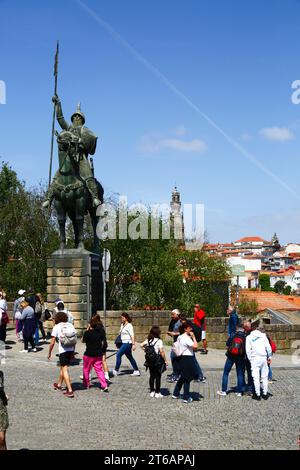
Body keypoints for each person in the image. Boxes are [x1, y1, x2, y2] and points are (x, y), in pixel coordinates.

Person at [43, 95, 101, 209]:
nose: (76, 118)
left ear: (82, 119)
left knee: (88, 176)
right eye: (74, 116)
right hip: (69, 157)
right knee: (56, 176)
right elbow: (60, 118)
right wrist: (58, 103)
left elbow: (93, 138)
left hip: (81, 158)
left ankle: (95, 197)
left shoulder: (85, 130)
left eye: (78, 116)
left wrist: (80, 141)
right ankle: (48, 198)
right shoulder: (69, 129)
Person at [48, 312, 76, 398]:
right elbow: (74, 339)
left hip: (63, 350)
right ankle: (59, 384)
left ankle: (70, 390)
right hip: (71, 349)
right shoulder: (70, 325)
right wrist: (73, 352)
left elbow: (52, 342)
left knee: (64, 369)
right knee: (63, 367)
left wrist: (49, 352)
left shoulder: (57, 327)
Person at [171, 321, 198, 403]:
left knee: (183, 376)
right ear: (186, 329)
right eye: (190, 328)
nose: (191, 329)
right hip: (187, 359)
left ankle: (175, 393)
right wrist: (193, 337)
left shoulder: (180, 337)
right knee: (187, 378)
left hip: (181, 358)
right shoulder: (186, 338)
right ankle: (186, 397)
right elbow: (195, 347)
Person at [217, 324, 246, 397]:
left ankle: (224, 391)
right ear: (243, 329)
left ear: (237, 329)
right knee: (240, 374)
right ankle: (239, 392)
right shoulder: (245, 336)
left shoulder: (233, 334)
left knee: (226, 372)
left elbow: (227, 344)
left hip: (231, 356)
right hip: (240, 357)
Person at [82, 315, 108, 392]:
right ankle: (104, 385)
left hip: (88, 354)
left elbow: (82, 340)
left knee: (86, 369)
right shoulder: (100, 332)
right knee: (99, 370)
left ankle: (86, 384)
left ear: (90, 325)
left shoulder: (87, 333)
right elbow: (103, 341)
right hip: (98, 354)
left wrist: (87, 330)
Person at [246, 324, 272, 401]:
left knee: (256, 377)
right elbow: (268, 347)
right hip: (263, 357)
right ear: (257, 328)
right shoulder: (263, 336)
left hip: (255, 358)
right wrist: (269, 357)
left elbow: (248, 350)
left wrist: (250, 359)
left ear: (251, 329)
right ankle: (265, 394)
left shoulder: (249, 337)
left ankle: (257, 395)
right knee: (264, 377)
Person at [140, 326, 168, 398]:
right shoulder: (159, 341)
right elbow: (161, 352)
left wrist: (145, 350)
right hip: (157, 361)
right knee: (158, 376)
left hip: (149, 361)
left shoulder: (148, 340)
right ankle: (157, 392)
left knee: (152, 376)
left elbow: (141, 345)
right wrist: (165, 360)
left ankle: (152, 391)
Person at [180, 316, 206, 383]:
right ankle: (198, 375)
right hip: (190, 345)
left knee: (194, 362)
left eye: (181, 321)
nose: (180, 322)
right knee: (193, 362)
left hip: (190, 345)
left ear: (183, 320)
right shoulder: (190, 323)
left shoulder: (188, 325)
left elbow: (195, 345)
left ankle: (200, 376)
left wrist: (192, 338)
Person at [167, 309, 182, 383]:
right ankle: (176, 373)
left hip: (180, 343)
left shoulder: (181, 321)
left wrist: (175, 334)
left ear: (177, 315)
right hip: (175, 342)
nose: (172, 316)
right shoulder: (173, 321)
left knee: (174, 357)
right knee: (174, 358)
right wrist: (170, 333)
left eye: (173, 314)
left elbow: (184, 332)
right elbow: (170, 329)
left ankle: (177, 375)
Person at [0, 371, 8, 451]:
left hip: (1, 408)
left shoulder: (0, 374)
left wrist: (5, 397)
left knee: (2, 438)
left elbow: (1, 389)